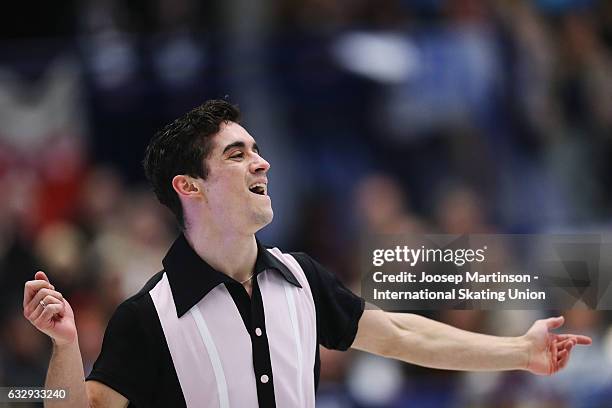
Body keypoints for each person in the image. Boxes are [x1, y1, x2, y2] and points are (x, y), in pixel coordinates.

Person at [23, 99, 591, 408]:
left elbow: (403, 335)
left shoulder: (301, 278)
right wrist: (65, 347)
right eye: (238, 154)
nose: (261, 163)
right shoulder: (147, 317)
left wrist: (520, 350)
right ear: (189, 186)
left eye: (259, 150)